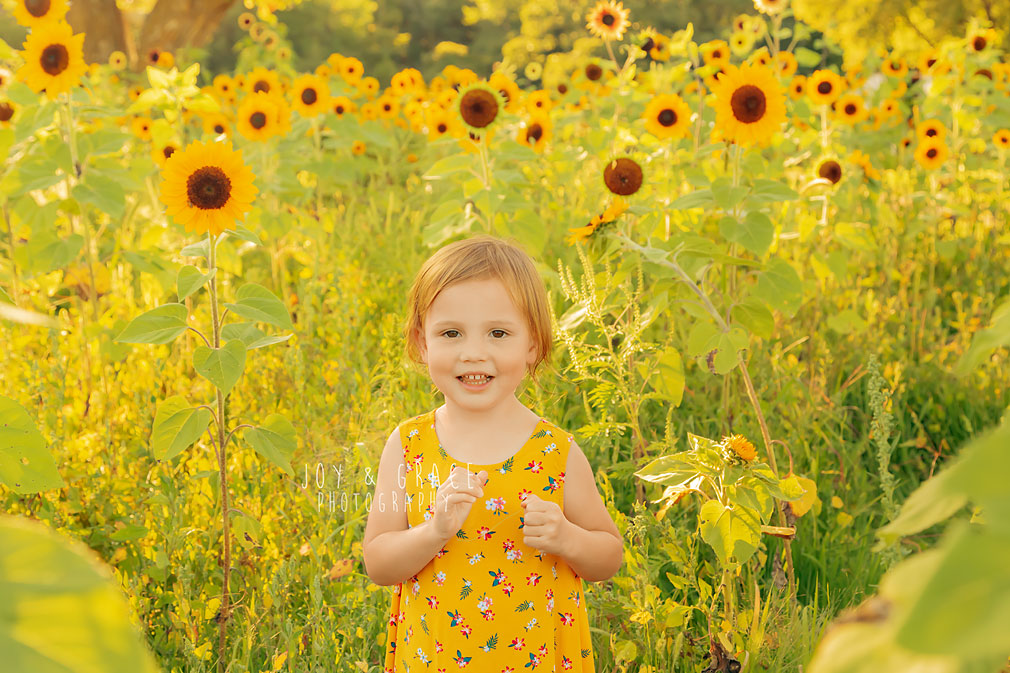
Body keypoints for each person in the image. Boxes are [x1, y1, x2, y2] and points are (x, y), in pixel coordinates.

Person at [362, 234, 623, 672]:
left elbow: (608, 555)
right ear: (422, 343)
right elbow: (379, 562)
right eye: (451, 333)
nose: (474, 353)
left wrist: (566, 537)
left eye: (498, 333)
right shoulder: (410, 446)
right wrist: (434, 531)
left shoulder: (555, 452)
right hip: (437, 656)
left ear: (533, 344)